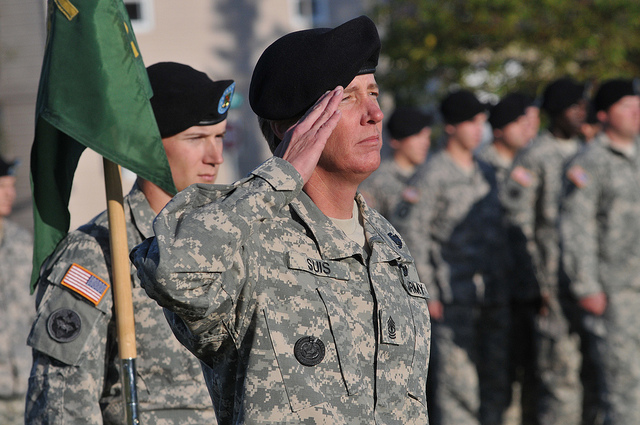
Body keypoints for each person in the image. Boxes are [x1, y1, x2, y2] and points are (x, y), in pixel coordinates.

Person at [131, 16, 431, 425]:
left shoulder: (385, 241)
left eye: (374, 93)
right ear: (292, 126)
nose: (375, 113)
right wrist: (281, 175)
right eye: (348, 99)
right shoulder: (250, 237)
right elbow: (171, 268)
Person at [25, 62, 233, 424]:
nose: (215, 157)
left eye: (219, 137)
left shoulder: (227, 240)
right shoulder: (98, 251)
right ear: (150, 146)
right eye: (196, 139)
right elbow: (61, 402)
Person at [391, 90, 510, 425]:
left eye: (482, 122)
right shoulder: (431, 175)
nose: (479, 130)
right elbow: (410, 236)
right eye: (471, 122)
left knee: (495, 385)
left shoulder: (486, 171)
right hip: (452, 297)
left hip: (492, 295)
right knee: (458, 391)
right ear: (452, 127)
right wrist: (427, 291)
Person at [501, 77, 588, 425]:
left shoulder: (588, 153)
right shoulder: (536, 155)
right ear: (556, 113)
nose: (581, 113)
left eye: (584, 106)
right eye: (574, 107)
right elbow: (516, 222)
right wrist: (536, 283)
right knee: (559, 380)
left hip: (588, 283)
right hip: (551, 286)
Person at [560, 78, 640, 425]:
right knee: (624, 392)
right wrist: (587, 286)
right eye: (625, 105)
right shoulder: (589, 162)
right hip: (615, 292)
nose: (635, 110)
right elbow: (576, 226)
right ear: (604, 115)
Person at [0, 156, 33, 425]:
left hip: (25, 382)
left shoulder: (24, 243)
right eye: (2, 186)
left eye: (11, 186)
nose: (10, 193)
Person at [359, 105, 432, 219]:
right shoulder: (377, 182)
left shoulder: (426, 177)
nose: (426, 143)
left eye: (427, 137)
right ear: (396, 140)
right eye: (418, 135)